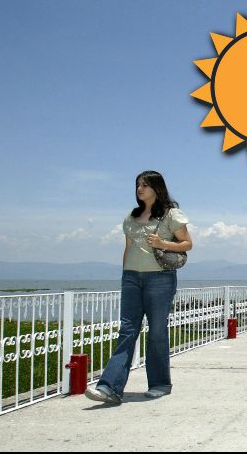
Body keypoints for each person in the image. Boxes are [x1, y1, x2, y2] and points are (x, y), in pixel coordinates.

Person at [86, 170, 192, 405]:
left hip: (160, 278)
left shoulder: (171, 214)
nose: (139, 189)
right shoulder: (131, 217)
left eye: (144, 185)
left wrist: (163, 243)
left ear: (157, 188)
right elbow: (128, 248)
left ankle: (160, 384)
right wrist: (125, 276)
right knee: (127, 331)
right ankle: (109, 387)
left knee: (156, 332)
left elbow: (188, 244)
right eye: (137, 185)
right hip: (133, 278)